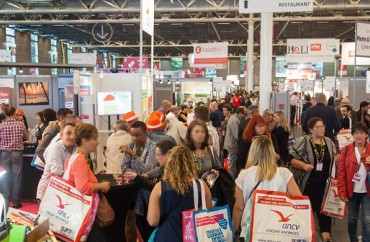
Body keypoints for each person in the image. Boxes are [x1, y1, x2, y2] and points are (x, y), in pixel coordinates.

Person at [232, 136, 301, 241]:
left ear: (252, 152)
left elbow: (239, 207)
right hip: (278, 231)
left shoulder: (244, 175)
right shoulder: (284, 174)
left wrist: (234, 229)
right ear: (271, 152)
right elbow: (298, 200)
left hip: (250, 232)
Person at [147, 146, 213, 241]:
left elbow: (153, 221)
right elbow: (209, 213)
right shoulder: (202, 186)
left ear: (170, 163)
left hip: (167, 236)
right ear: (191, 163)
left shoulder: (160, 187)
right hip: (195, 236)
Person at [290, 117, 338, 242]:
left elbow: (335, 158)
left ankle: (326, 237)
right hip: (308, 183)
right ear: (311, 129)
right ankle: (305, 236)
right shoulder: (304, 141)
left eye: (322, 126)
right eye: (317, 127)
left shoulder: (328, 141)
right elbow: (291, 159)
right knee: (306, 212)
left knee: (324, 212)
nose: (321, 129)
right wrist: (304, 166)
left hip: (325, 184)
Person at [64, 124, 110, 242]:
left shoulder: (73, 158)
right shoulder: (79, 160)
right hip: (82, 212)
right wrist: (101, 186)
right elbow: (83, 187)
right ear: (84, 140)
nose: (98, 142)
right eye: (94, 138)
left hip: (77, 210)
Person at [121, 121, 157, 241]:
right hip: (133, 191)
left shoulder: (153, 146)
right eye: (132, 135)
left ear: (146, 133)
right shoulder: (130, 145)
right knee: (138, 224)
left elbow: (149, 169)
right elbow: (124, 167)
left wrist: (133, 155)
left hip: (148, 192)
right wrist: (138, 175)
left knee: (150, 225)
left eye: (138, 135)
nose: (134, 138)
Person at [337, 122, 370, 242]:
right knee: (352, 219)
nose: (359, 135)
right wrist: (341, 191)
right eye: (356, 133)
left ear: (366, 134)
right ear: (352, 135)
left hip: (367, 191)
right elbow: (341, 173)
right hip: (352, 191)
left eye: (362, 133)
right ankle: (353, 240)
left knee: (367, 219)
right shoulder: (346, 150)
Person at [36, 122, 76, 200]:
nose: (72, 136)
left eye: (74, 134)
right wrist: (78, 177)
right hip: (48, 193)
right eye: (68, 133)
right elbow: (57, 173)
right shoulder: (55, 148)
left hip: (64, 191)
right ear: (61, 135)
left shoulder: (75, 148)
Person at [0, 105, 27, 208]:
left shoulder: (1, 125)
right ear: (15, 113)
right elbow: (25, 137)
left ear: (5, 114)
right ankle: (16, 202)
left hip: (4, 153)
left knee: (5, 177)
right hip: (17, 153)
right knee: (17, 178)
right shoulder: (20, 125)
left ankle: (6, 201)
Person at [224, 106, 248, 179]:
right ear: (240, 113)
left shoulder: (233, 118)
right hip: (232, 146)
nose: (246, 116)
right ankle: (232, 181)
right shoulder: (235, 121)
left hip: (231, 145)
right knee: (233, 165)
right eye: (245, 114)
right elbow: (237, 135)